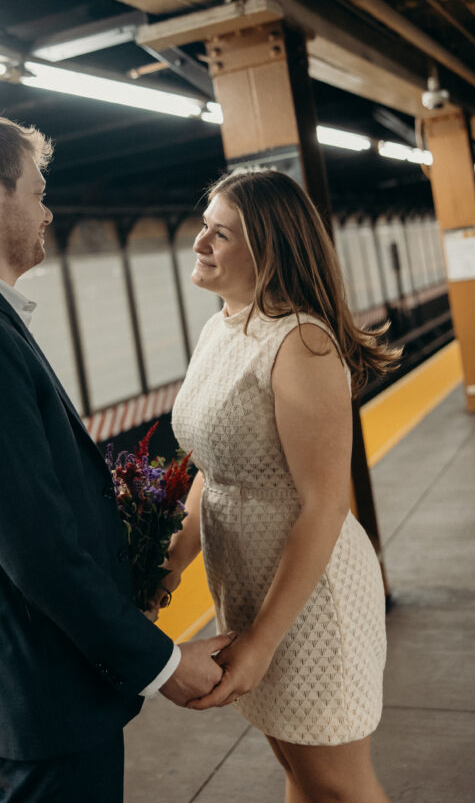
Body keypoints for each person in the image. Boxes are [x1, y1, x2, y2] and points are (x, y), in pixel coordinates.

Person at [0, 108, 230, 803]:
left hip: (5, 672)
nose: (48, 212)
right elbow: (31, 541)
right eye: (38, 191)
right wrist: (158, 662)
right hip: (32, 683)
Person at [153, 168, 400, 803]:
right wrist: (173, 559)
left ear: (270, 248)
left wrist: (262, 642)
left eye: (222, 233)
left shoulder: (302, 344)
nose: (200, 243)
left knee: (337, 785)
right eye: (204, 226)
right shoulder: (223, 327)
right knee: (298, 772)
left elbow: (325, 505)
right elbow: (217, 464)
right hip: (246, 589)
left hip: (311, 601)